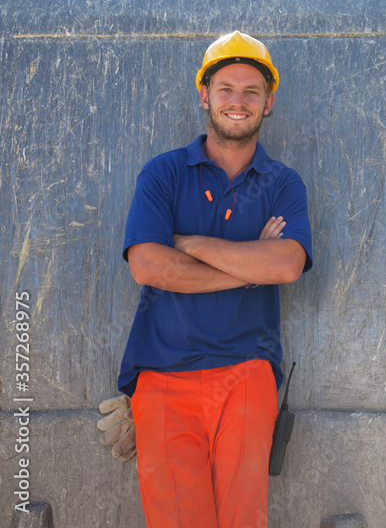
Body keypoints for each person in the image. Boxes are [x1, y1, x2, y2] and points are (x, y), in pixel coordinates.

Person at [108, 30, 312, 528]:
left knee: (243, 520)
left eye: (251, 92)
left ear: (268, 104)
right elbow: (149, 267)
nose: (237, 101)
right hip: (160, 375)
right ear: (205, 95)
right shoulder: (163, 174)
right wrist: (247, 269)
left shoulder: (283, 183)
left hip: (247, 371)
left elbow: (284, 265)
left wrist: (191, 244)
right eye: (225, 89)